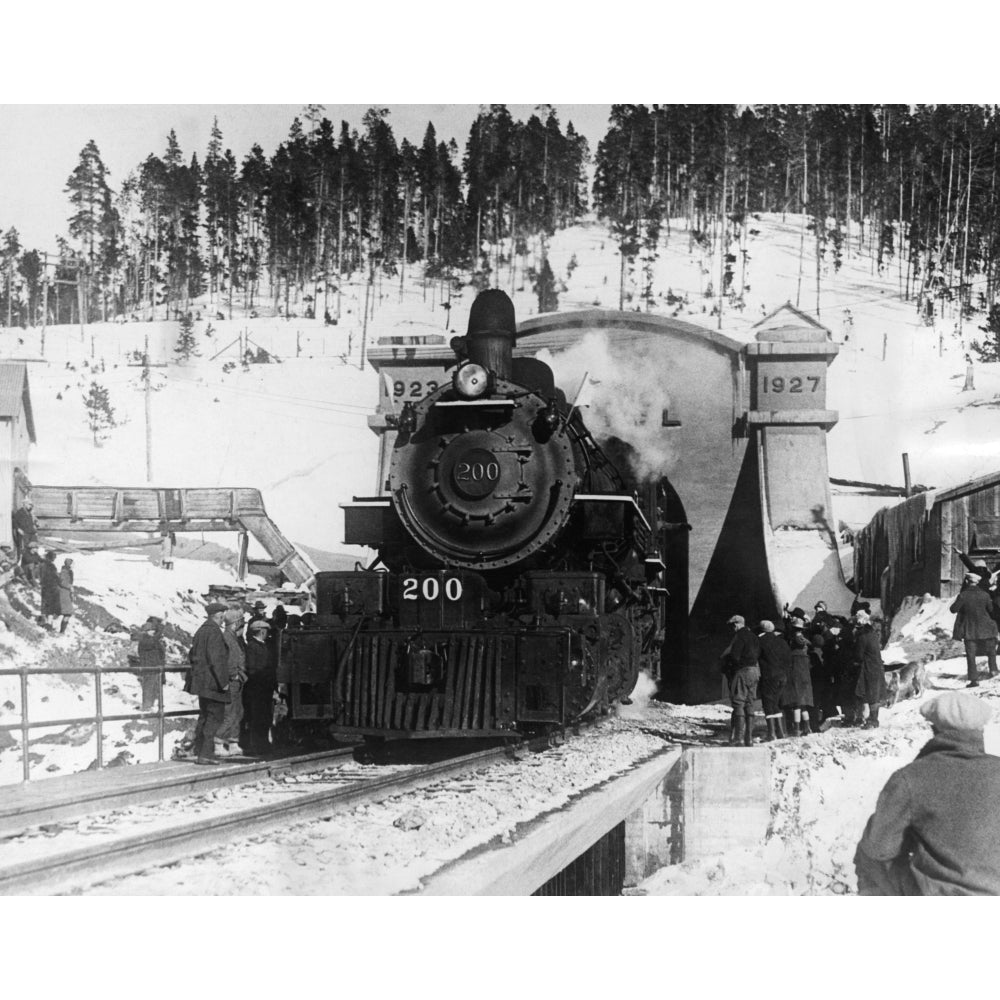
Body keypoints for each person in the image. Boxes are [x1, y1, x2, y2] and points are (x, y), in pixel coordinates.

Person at [854, 690, 1000, 894]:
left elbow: (878, 849)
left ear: (934, 729)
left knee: (868, 858)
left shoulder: (910, 778)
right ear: (980, 732)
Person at [187, 602, 231, 765]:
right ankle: (206, 753)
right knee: (214, 717)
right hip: (213, 684)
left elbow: (192, 654)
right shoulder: (214, 632)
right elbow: (216, 659)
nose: (223, 620)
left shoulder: (201, 631)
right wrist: (223, 682)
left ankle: (201, 751)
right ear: (218, 615)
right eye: (222, 617)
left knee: (205, 716)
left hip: (202, 683)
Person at [949, 572, 998, 687]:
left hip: (970, 630)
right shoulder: (985, 595)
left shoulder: (963, 595)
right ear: (977, 582)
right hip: (986, 629)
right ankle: (994, 670)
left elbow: (953, 609)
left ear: (966, 581)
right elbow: (991, 610)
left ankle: (974, 680)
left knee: (971, 655)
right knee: (991, 651)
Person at [719, 614, 761, 746]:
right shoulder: (754, 636)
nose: (732, 629)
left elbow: (735, 656)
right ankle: (749, 738)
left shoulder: (739, 636)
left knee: (738, 702)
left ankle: (739, 738)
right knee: (749, 702)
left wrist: (731, 668)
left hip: (743, 671)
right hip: (755, 671)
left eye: (733, 626)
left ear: (736, 624)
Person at [215, 608, 248, 756]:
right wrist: (233, 675)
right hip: (231, 681)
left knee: (237, 712)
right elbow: (225, 661)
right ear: (236, 624)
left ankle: (233, 741)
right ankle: (218, 742)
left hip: (237, 680)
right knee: (229, 713)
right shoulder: (227, 639)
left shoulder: (234, 638)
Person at [242, 619, 276, 755]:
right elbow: (252, 669)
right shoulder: (252, 646)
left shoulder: (262, 645)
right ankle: (257, 745)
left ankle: (263, 744)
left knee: (265, 717)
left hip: (265, 688)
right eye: (266, 631)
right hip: (258, 689)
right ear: (262, 631)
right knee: (258, 718)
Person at [852, 609, 886, 728]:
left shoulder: (863, 637)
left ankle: (872, 721)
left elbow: (858, 655)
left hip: (868, 669)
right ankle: (873, 719)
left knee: (870, 695)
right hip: (877, 668)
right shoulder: (873, 635)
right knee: (874, 694)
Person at [757, 620, 790, 740]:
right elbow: (788, 659)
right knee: (776, 703)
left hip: (769, 676)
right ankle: (780, 732)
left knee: (768, 703)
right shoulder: (782, 642)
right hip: (782, 676)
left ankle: (771, 733)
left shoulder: (761, 641)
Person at [785, 619, 815, 735]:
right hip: (806, 678)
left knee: (796, 705)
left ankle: (797, 729)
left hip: (796, 678)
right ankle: (807, 727)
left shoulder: (793, 650)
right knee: (803, 705)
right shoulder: (806, 648)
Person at [137, 615, 166, 711]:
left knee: (155, 688)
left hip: (155, 667)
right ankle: (146, 707)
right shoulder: (145, 640)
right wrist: (161, 627)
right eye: (151, 630)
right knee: (149, 688)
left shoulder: (150, 639)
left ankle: (153, 705)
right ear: (146, 631)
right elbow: (154, 640)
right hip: (149, 668)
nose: (153, 632)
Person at [39, 550, 61, 628]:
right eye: (54, 557)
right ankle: (48, 623)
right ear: (51, 558)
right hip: (51, 586)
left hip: (44, 586)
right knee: (51, 604)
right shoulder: (51, 566)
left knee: (44, 603)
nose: (54, 559)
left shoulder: (41, 564)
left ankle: (43, 620)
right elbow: (55, 576)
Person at [57, 557, 74, 634]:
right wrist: (70, 586)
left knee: (68, 613)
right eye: (72, 564)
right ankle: (61, 631)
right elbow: (62, 582)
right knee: (67, 613)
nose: (74, 565)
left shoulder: (68, 571)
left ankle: (62, 631)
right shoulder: (64, 572)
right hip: (64, 594)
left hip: (67, 593)